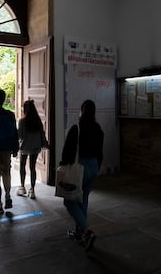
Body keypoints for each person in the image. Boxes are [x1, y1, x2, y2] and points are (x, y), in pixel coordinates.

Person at [60, 99, 104, 252]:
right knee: (83, 199)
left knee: (69, 201)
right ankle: (79, 234)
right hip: (94, 167)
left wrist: (63, 164)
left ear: (81, 110)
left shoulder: (76, 128)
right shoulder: (98, 129)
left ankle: (87, 231)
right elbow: (100, 152)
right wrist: (97, 167)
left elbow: (67, 151)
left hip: (80, 168)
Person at [16, 100, 48, 199]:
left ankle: (22, 187)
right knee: (32, 167)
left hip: (25, 146)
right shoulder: (38, 121)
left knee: (22, 166)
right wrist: (44, 143)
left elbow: (19, 136)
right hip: (35, 146)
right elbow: (42, 134)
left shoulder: (22, 121)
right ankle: (32, 190)